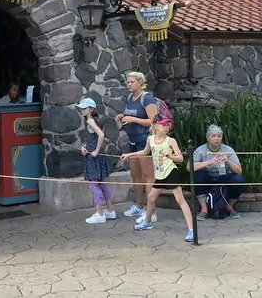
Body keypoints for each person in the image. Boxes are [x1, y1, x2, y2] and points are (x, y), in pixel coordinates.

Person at [120, 117, 194, 243]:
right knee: (151, 198)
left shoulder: (171, 141)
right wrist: (129, 155)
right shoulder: (150, 139)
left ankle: (191, 230)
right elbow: (145, 152)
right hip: (159, 175)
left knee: (180, 200)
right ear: (155, 126)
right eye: (163, 124)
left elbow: (180, 158)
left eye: (168, 125)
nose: (166, 127)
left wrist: (170, 156)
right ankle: (147, 222)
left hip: (170, 172)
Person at [115, 71, 170, 219]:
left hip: (144, 140)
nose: (129, 84)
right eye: (128, 82)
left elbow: (153, 120)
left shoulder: (147, 98)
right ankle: (139, 206)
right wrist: (123, 116)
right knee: (136, 175)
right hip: (132, 140)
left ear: (140, 83)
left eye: (132, 82)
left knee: (148, 176)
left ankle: (152, 212)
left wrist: (132, 119)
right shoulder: (130, 97)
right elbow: (130, 113)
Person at [192, 124, 246, 220]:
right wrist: (210, 161)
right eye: (213, 136)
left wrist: (227, 161)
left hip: (223, 177)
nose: (216, 138)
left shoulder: (228, 150)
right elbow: (189, 167)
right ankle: (204, 209)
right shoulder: (200, 150)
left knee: (239, 179)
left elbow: (239, 171)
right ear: (207, 138)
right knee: (197, 175)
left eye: (219, 136)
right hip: (207, 177)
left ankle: (229, 207)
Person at [77, 97, 116, 224]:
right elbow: (92, 138)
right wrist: (84, 147)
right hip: (96, 155)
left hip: (94, 157)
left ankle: (100, 214)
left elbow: (101, 135)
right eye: (81, 108)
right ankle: (110, 211)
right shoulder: (94, 120)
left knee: (94, 184)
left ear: (91, 109)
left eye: (84, 108)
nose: (81, 110)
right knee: (102, 183)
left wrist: (96, 150)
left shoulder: (90, 121)